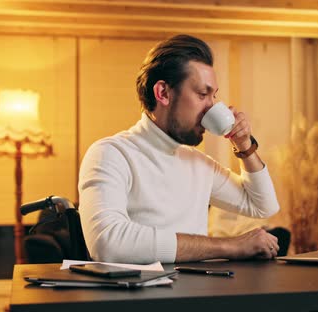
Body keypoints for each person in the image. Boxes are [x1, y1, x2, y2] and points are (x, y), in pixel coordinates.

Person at [78, 34, 281, 264]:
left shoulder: (198, 163)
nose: (211, 108)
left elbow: (263, 206)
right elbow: (108, 243)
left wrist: (244, 146)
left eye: (213, 97)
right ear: (163, 93)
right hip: (140, 299)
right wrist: (229, 246)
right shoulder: (111, 154)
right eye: (202, 95)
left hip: (196, 296)